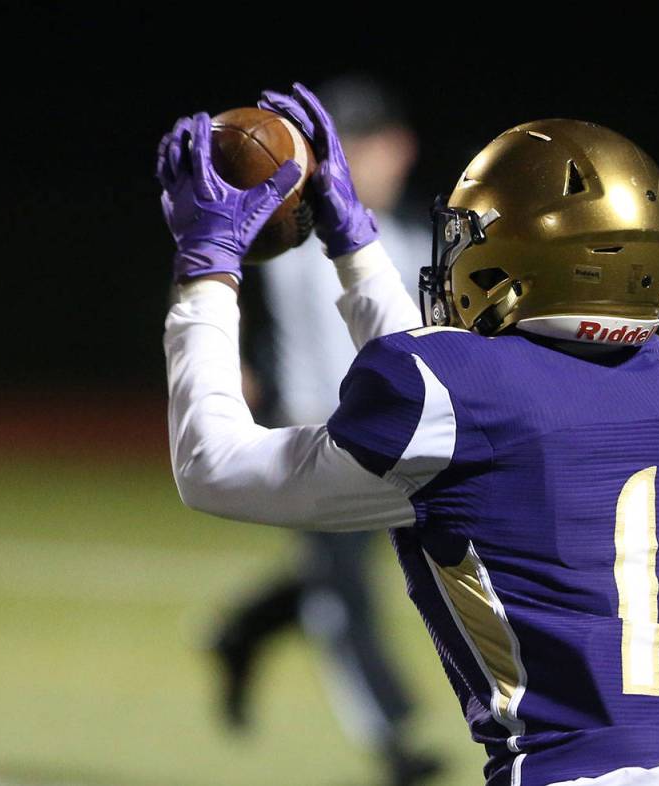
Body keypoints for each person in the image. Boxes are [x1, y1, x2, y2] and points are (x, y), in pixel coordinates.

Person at [157, 83, 659, 786]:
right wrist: (353, 241)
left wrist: (205, 266)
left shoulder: (465, 391)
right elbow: (453, 399)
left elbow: (212, 466)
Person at [207, 76, 437, 785]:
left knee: (354, 580)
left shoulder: (408, 237)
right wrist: (229, 358)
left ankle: (240, 632)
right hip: (319, 440)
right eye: (370, 148)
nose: (391, 159)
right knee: (345, 596)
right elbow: (215, 274)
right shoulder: (292, 234)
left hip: (407, 443)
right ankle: (396, 745)